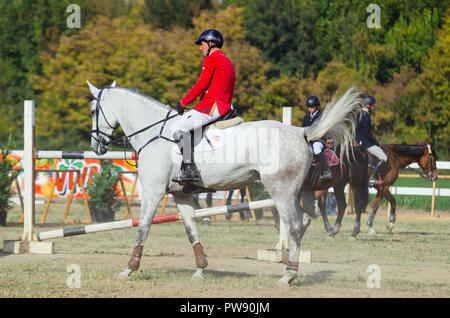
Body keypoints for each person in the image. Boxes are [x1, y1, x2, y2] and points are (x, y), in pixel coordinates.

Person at [170, 29, 236, 183]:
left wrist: (183, 103)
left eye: (202, 44)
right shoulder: (227, 61)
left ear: (211, 43)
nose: (200, 47)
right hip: (225, 106)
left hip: (212, 106)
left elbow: (201, 85)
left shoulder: (211, 59)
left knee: (176, 128)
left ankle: (190, 169)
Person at [355, 95, 387, 187]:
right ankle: (372, 177)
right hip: (365, 143)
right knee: (384, 157)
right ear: (368, 106)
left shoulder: (358, 115)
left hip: (357, 141)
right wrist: (376, 143)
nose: (374, 107)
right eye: (373, 105)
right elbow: (367, 133)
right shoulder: (366, 116)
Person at [302, 95, 331, 180]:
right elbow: (303, 128)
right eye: (309, 107)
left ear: (316, 107)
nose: (310, 109)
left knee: (316, 149)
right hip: (307, 140)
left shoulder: (321, 117)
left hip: (319, 140)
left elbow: (321, 130)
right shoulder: (306, 117)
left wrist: (311, 138)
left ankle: (326, 171)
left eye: (312, 107)